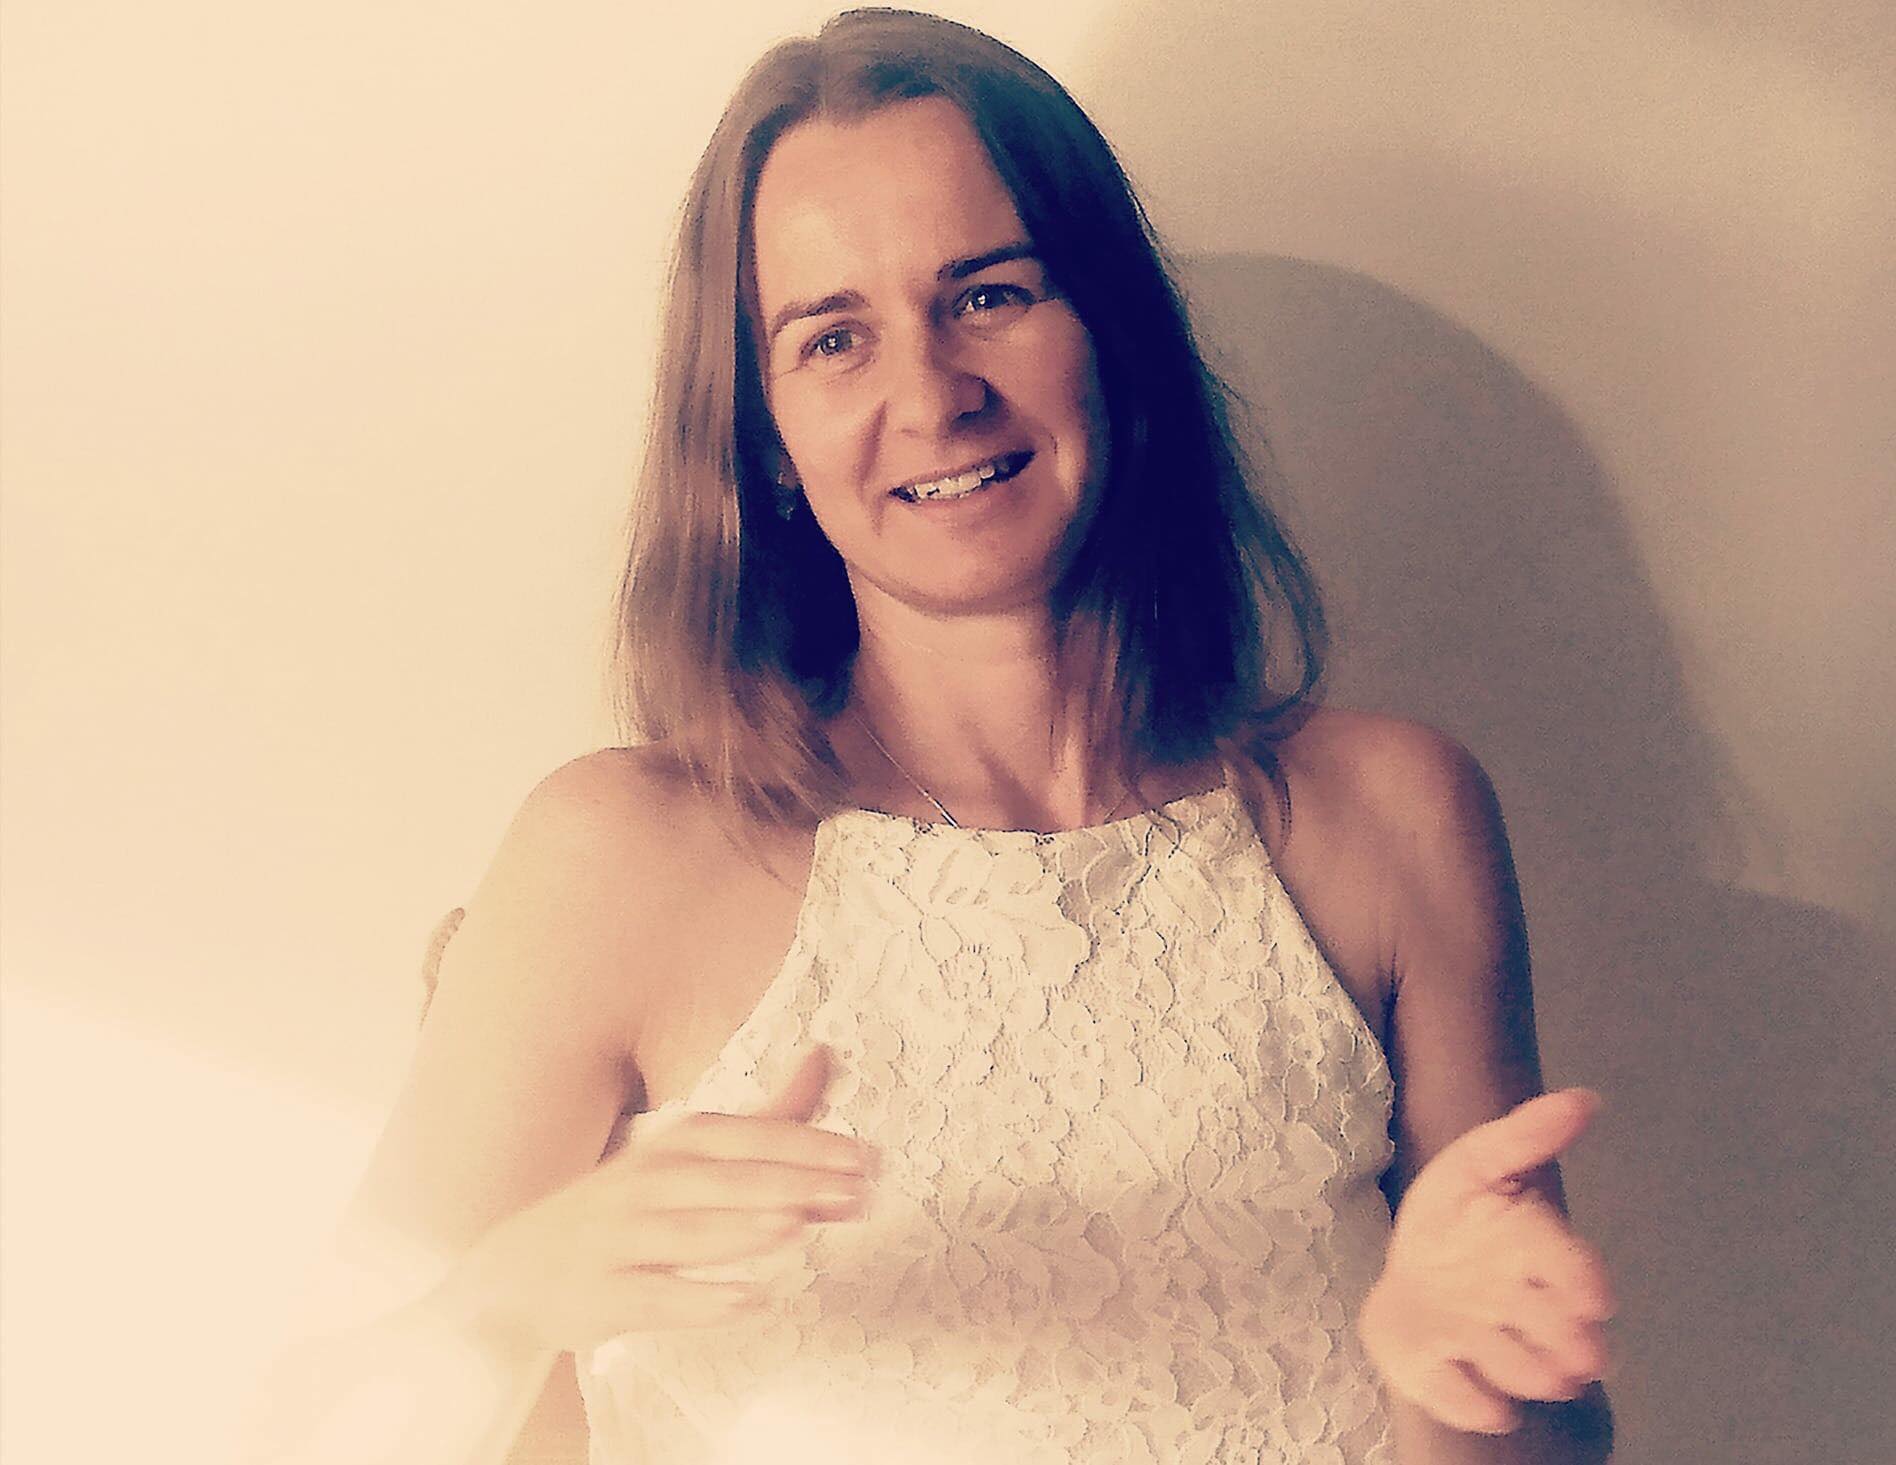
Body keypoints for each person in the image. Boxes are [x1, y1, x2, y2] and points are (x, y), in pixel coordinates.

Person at [245, 10, 1616, 1464]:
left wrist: (1455, 1378)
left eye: (990, 295)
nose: (932, 395)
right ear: (765, 435)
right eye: (834, 338)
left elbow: (1545, 1434)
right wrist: (510, 1300)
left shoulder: (1392, 816)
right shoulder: (618, 858)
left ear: (1113, 335)